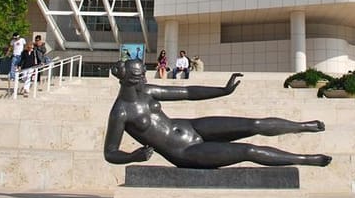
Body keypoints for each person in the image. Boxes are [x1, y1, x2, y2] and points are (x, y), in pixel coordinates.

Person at [104, 59, 332, 169]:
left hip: (193, 127)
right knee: (248, 151)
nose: (143, 79)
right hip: (185, 151)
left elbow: (187, 91)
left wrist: (222, 91)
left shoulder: (147, 90)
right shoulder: (121, 112)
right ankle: (306, 160)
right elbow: (110, 152)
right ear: (125, 79)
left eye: (143, 74)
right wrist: (133, 157)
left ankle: (301, 126)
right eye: (137, 76)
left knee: (255, 124)